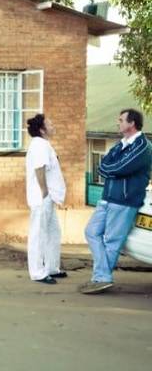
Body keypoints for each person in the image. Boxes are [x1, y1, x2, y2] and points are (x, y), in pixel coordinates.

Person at [80, 109, 152, 294]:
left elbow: (120, 168)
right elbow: (102, 166)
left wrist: (111, 170)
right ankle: (102, 276)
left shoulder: (143, 146)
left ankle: (101, 278)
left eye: (121, 120)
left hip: (125, 200)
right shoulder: (121, 144)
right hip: (107, 198)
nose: (117, 123)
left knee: (112, 241)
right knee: (91, 232)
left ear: (132, 123)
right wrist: (111, 170)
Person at [25, 114, 67, 285]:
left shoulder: (43, 144)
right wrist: (44, 191)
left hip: (47, 197)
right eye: (49, 123)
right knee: (38, 234)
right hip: (42, 197)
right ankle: (37, 272)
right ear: (42, 130)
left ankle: (51, 268)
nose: (52, 125)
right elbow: (39, 168)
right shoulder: (40, 145)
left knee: (53, 232)